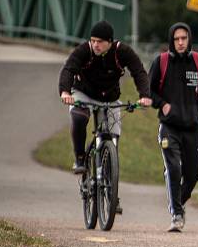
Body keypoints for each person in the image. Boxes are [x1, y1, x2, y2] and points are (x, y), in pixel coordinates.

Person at [59, 20, 152, 188]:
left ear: (110, 42)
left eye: (100, 42)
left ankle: (110, 188)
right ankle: (80, 158)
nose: (95, 45)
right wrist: (65, 92)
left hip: (109, 98)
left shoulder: (121, 51)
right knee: (79, 118)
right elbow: (68, 69)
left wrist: (145, 95)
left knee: (112, 139)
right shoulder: (84, 50)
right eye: (93, 40)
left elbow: (139, 71)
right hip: (84, 93)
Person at [148, 23, 198, 232]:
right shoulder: (162, 62)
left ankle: (178, 203)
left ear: (189, 39)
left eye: (184, 38)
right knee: (174, 168)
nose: (181, 42)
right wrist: (163, 105)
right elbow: (150, 91)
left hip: (192, 128)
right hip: (169, 127)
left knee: (192, 175)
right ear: (171, 41)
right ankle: (176, 214)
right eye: (177, 39)